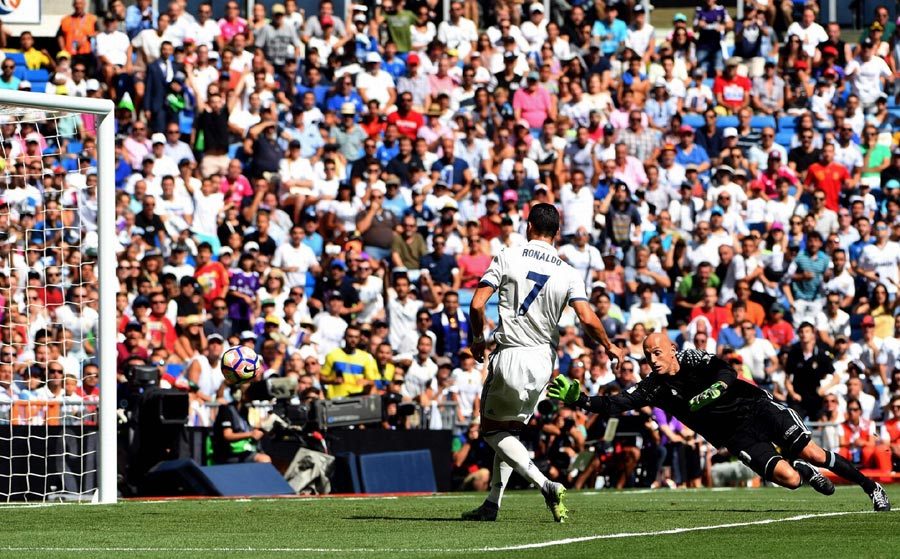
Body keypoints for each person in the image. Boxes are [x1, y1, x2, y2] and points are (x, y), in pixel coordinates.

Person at [549, 332, 890, 512]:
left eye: (656, 353)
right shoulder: (653, 386)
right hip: (735, 435)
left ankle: (870, 488)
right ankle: (799, 469)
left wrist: (713, 391)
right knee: (789, 480)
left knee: (816, 453)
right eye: (646, 355)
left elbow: (728, 371)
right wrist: (581, 399)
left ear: (670, 349)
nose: (651, 360)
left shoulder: (693, 357)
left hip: (757, 407)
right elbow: (615, 403)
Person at [461, 203, 626, 522]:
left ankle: (546, 484)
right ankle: (492, 503)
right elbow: (586, 317)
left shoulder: (508, 255)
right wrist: (608, 345)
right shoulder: (568, 271)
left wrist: (478, 339)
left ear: (528, 226)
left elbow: (477, 303)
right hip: (543, 363)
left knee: (492, 431)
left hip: (511, 353)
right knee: (509, 431)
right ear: (557, 233)